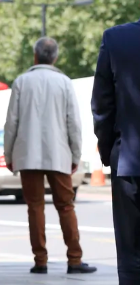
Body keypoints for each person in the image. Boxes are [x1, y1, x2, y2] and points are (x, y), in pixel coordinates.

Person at [3, 37, 96, 275]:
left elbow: (11, 122)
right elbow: (73, 123)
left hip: (28, 154)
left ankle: (40, 261)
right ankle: (74, 260)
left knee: (35, 207)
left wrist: (9, 154)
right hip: (59, 154)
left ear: (35, 56)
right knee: (66, 206)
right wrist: (76, 154)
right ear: (55, 57)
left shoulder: (21, 82)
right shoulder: (64, 82)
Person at [91, 19, 140, 284]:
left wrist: (108, 151)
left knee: (130, 251)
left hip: (130, 158)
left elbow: (102, 104)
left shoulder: (116, 39)